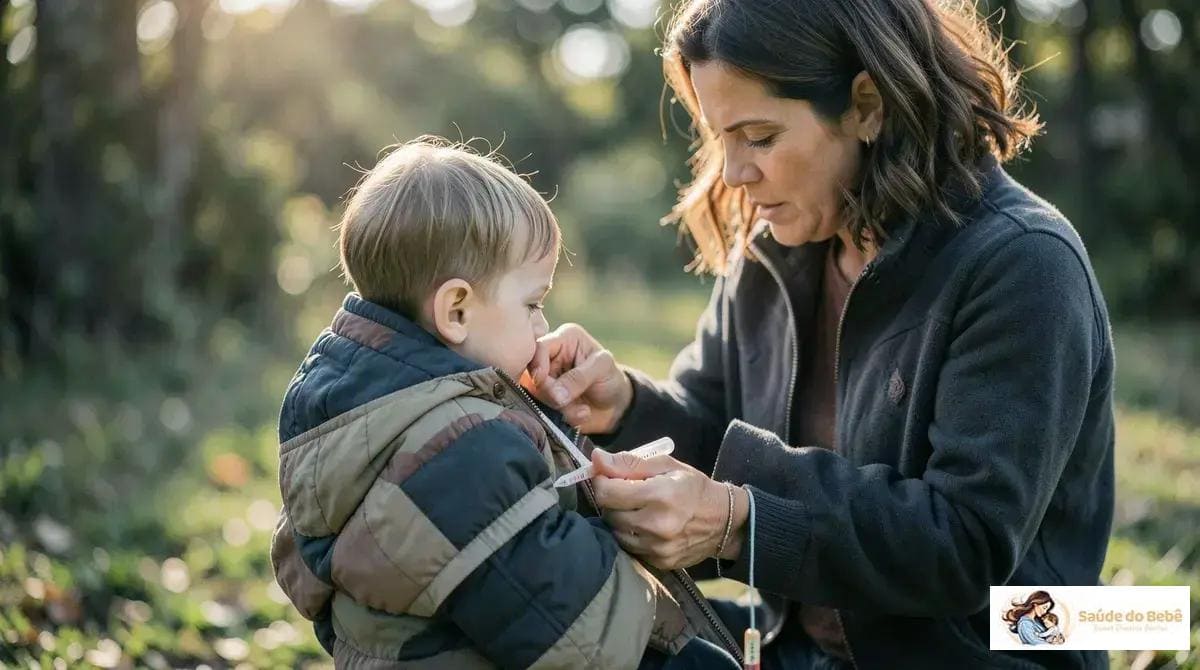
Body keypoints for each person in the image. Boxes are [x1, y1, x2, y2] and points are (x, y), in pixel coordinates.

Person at [526, 1, 1116, 668]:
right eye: (721, 138)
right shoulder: (774, 249)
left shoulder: (1023, 262)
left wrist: (740, 521)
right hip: (792, 646)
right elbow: (718, 439)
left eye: (759, 136)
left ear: (867, 106)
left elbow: (964, 545)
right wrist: (624, 407)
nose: (733, 173)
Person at [269, 138, 738, 668]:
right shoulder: (461, 454)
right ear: (457, 311)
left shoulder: (368, 413)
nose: (542, 325)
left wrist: (537, 419)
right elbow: (574, 632)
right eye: (533, 304)